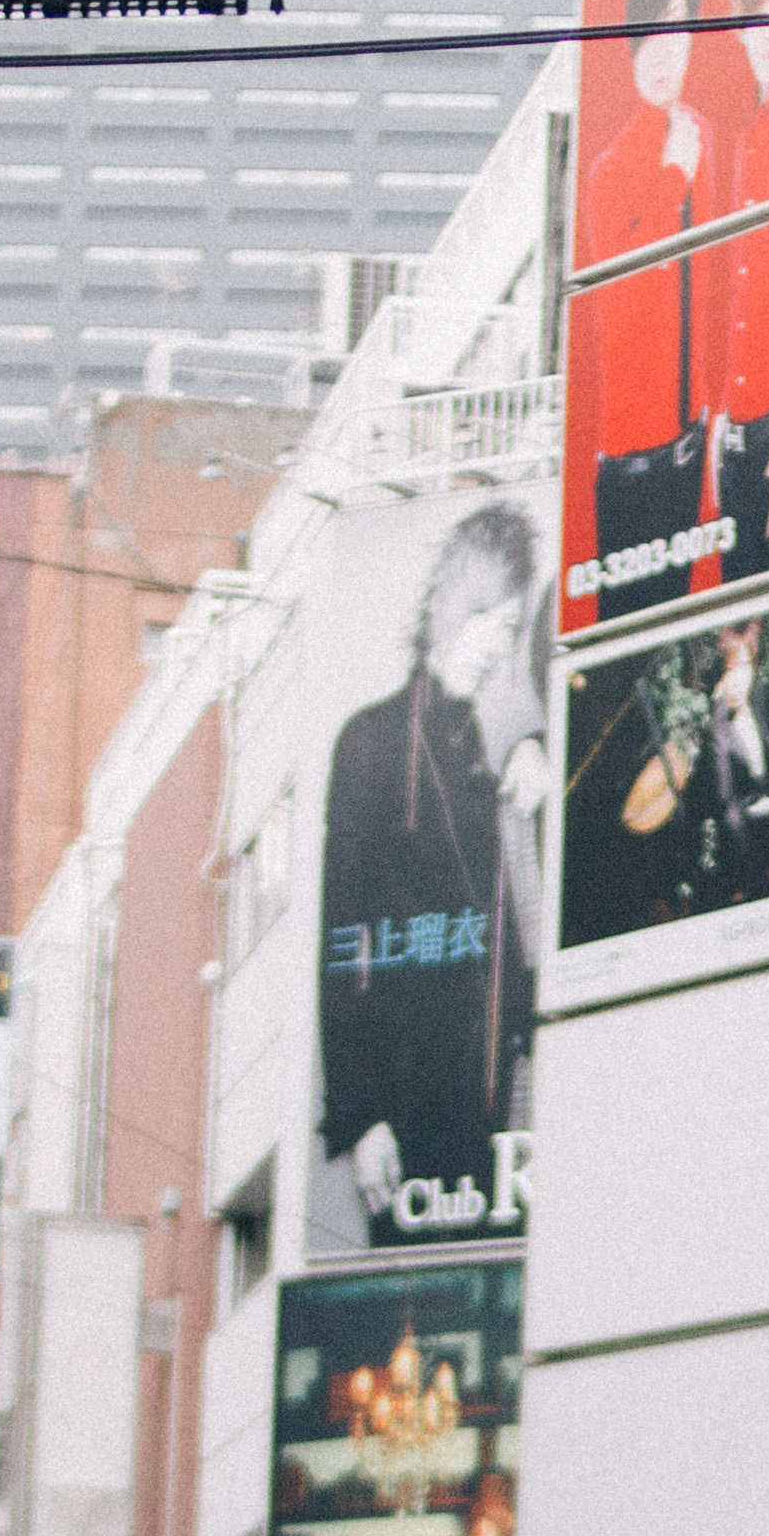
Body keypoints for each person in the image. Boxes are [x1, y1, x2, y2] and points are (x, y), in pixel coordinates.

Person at [314, 499, 548, 1260]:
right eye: (497, 624)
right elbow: (344, 940)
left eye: (516, 630)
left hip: (488, 1090)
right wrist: (362, 1116)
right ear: (458, 608)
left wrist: (536, 747)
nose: (503, 649)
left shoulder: (475, 738)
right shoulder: (373, 742)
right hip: (412, 1100)